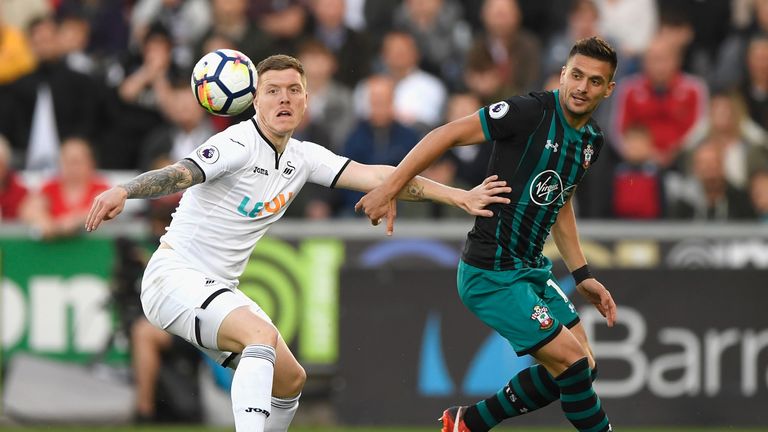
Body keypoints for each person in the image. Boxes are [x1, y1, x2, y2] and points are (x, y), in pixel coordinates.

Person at [84, 54, 511, 432]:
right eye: (272, 91)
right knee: (260, 337)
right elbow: (180, 173)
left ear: (307, 101)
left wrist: (459, 195)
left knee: (290, 380)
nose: (284, 99)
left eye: (294, 90)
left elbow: (385, 177)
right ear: (255, 99)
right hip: (173, 277)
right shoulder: (236, 143)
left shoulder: (302, 158)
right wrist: (125, 190)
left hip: (216, 288)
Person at [356, 36, 618, 432]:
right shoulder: (529, 112)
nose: (582, 87)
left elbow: (561, 203)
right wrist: (390, 187)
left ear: (608, 89)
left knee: (584, 367)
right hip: (490, 272)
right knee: (573, 364)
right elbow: (446, 135)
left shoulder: (591, 142)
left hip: (531, 269)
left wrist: (583, 275)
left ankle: (468, 423)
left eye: (595, 81)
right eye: (577, 75)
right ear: (563, 74)